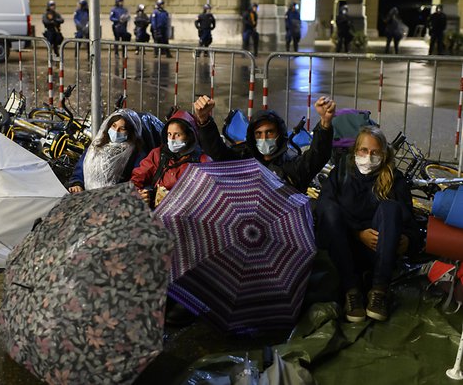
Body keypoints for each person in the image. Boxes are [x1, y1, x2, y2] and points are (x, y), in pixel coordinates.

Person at [315, 126, 420, 323]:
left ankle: (379, 292)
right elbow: (323, 210)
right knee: (328, 208)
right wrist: (357, 233)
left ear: (384, 153)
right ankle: (351, 291)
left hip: (379, 252)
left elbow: (412, 226)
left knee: (391, 208)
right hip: (343, 248)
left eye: (375, 152)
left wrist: (408, 239)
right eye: (363, 150)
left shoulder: (394, 179)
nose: (368, 157)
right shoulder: (341, 174)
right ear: (355, 151)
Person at [193, 95, 336, 193]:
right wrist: (204, 121)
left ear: (280, 134)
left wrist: (324, 124)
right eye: (258, 134)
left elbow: (318, 155)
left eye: (269, 132)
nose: (264, 138)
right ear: (252, 137)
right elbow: (216, 152)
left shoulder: (292, 165)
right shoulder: (242, 158)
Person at [131, 110, 210, 208]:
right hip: (156, 210)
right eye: (169, 134)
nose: (172, 139)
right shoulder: (158, 154)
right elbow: (137, 178)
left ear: (189, 136)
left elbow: (206, 193)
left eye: (177, 135)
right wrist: (139, 195)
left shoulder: (202, 161)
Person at [68, 109, 145, 192]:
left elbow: (138, 178)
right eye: (114, 126)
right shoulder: (95, 148)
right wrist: (77, 184)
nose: (116, 131)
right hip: (88, 197)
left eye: (122, 129)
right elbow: (80, 169)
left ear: (130, 132)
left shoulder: (136, 154)